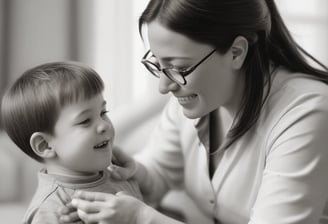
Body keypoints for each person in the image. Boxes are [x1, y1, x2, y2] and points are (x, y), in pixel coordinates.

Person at [60, 0, 328, 223]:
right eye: (158, 64)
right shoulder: (198, 98)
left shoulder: (307, 111)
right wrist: (134, 172)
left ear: (236, 52)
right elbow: (161, 173)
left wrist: (144, 219)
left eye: (179, 67)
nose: (164, 87)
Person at [0, 61, 142, 224]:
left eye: (103, 112)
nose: (104, 125)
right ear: (45, 145)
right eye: (85, 121)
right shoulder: (52, 211)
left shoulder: (118, 173)